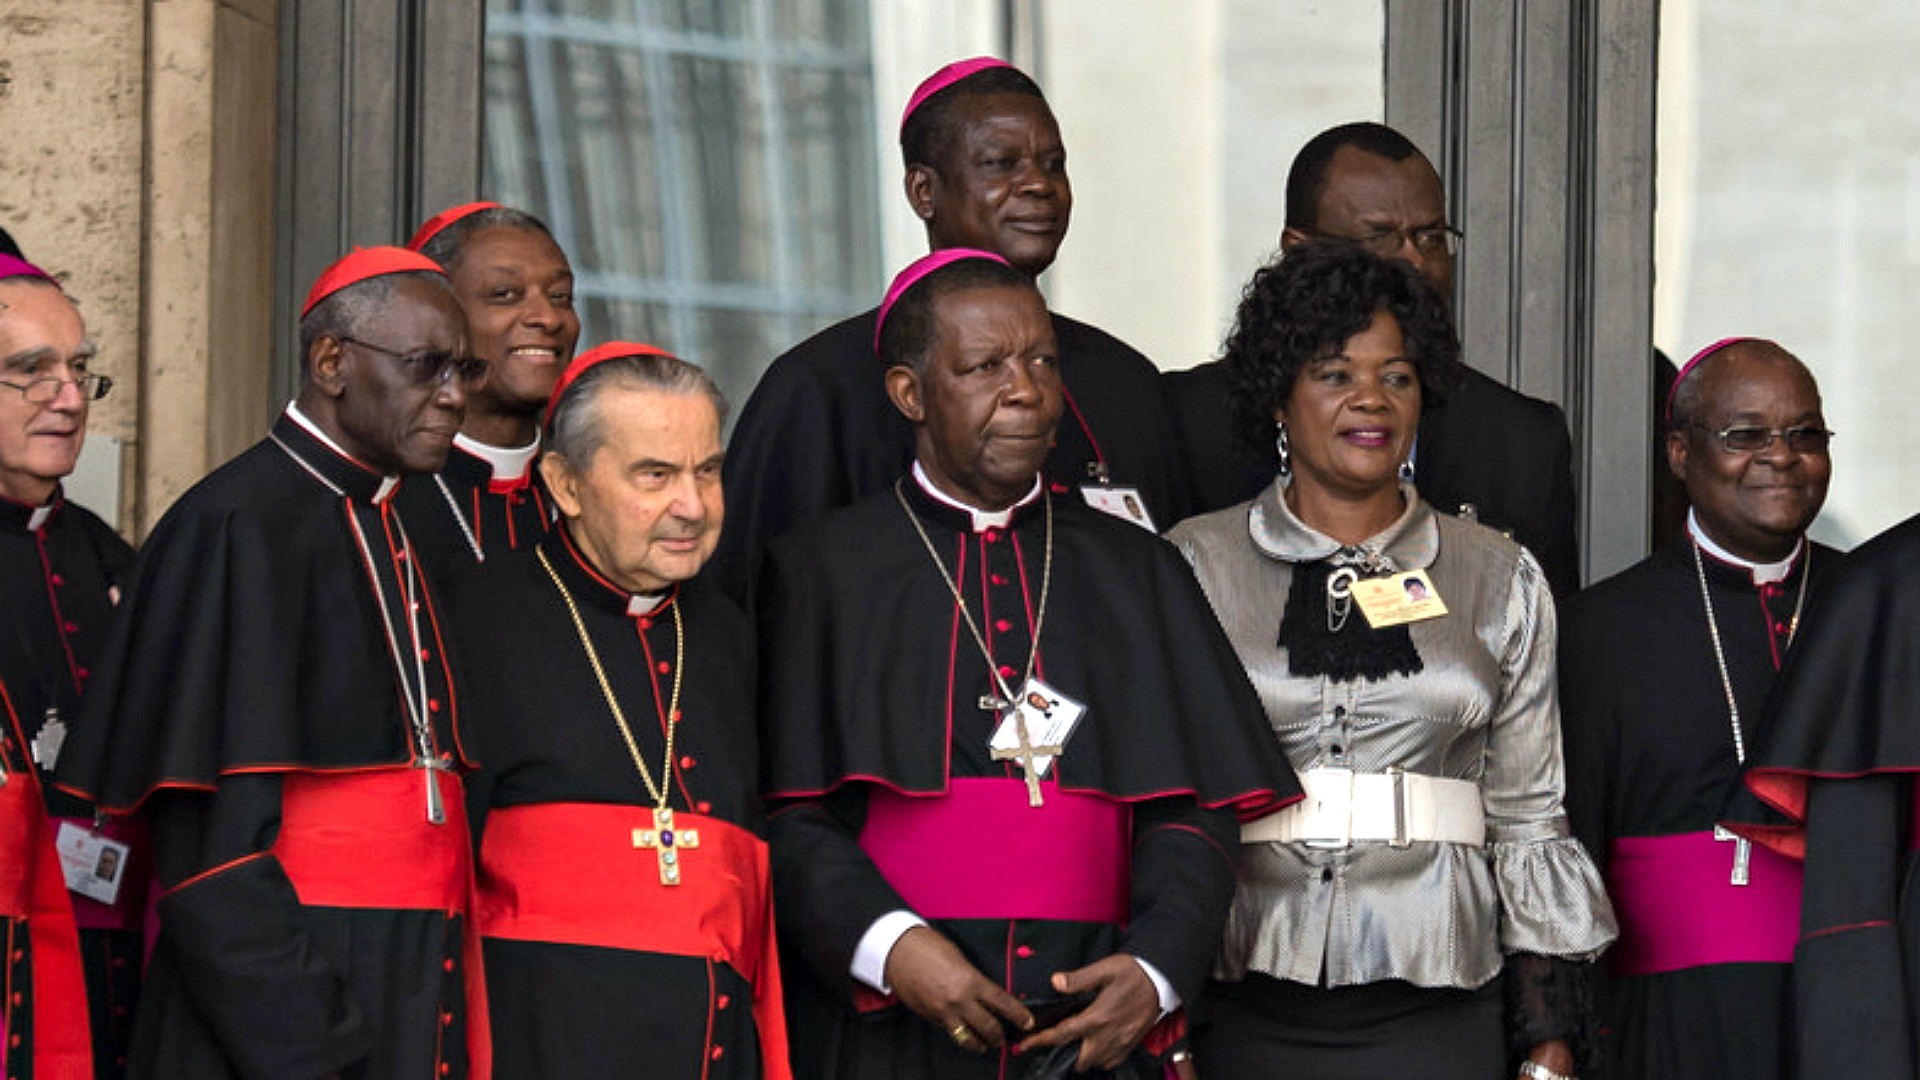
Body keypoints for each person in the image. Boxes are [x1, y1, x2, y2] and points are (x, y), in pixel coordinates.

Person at [759, 249, 1299, 1079]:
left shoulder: (1137, 567)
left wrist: (1153, 975)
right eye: (985, 366)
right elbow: (789, 814)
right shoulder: (823, 571)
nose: (1027, 389)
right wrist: (892, 947)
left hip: (1095, 1028)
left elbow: (1196, 811)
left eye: (1043, 361)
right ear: (910, 393)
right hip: (894, 1033)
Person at [1167, 244, 1614, 1079]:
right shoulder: (1193, 566)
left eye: (1397, 376)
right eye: (1335, 373)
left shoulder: (1500, 574)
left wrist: (1549, 1048)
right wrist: (1171, 1029)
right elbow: (1160, 809)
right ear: (1278, 397)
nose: (1371, 397)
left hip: (1442, 1010)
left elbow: (1529, 817)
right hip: (1243, 1006)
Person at [57, 247, 492, 1079]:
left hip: (403, 979)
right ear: (331, 362)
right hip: (291, 1006)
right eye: (427, 366)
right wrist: (315, 1042)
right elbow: (209, 856)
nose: (455, 396)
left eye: (463, 369)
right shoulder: (234, 526)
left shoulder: (390, 520)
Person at [713, 57, 1188, 605]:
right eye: (1000, 163)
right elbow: (759, 610)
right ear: (923, 191)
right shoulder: (818, 387)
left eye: (1053, 164)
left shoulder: (1121, 377)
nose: (1038, 184)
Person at [446, 342, 789, 1078]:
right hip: (538, 1039)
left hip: (711, 1042)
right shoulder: (472, 622)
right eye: (655, 476)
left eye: (708, 471)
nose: (692, 506)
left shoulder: (727, 630)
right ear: (566, 484)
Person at [1560, 338, 1834, 1078]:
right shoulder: (1597, 631)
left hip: (1850, 1008)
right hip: (1665, 1022)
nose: (1780, 455)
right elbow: (1567, 848)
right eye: (1746, 435)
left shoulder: (1872, 604)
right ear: (1681, 453)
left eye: (1804, 433)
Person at [1163, 121, 1580, 596]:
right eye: (1380, 238)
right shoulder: (1187, 422)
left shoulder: (1521, 441)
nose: (1416, 262)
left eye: (1430, 237)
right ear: (1298, 251)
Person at [0, 253, 140, 1078]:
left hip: (117, 943)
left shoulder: (117, 559)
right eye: (32, 372)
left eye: (80, 369)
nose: (68, 395)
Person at [395, 201, 579, 574]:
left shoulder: (592, 495)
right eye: (505, 294)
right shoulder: (381, 499)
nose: (547, 317)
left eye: (560, 296)